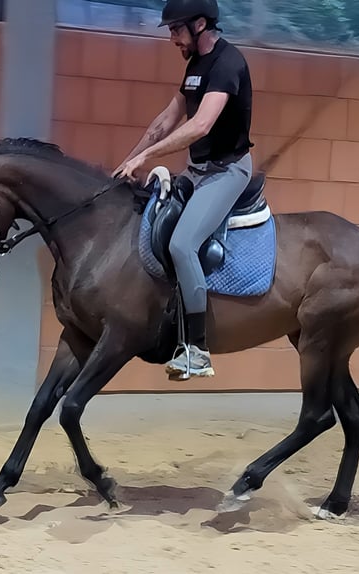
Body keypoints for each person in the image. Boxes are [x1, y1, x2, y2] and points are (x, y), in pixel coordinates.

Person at [113, 0, 254, 379]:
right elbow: (165, 121)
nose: (173, 38)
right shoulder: (195, 66)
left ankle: (197, 350)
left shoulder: (228, 64)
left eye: (176, 30)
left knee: (182, 244)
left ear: (200, 25)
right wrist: (129, 160)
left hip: (227, 173)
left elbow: (200, 125)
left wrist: (148, 158)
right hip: (197, 171)